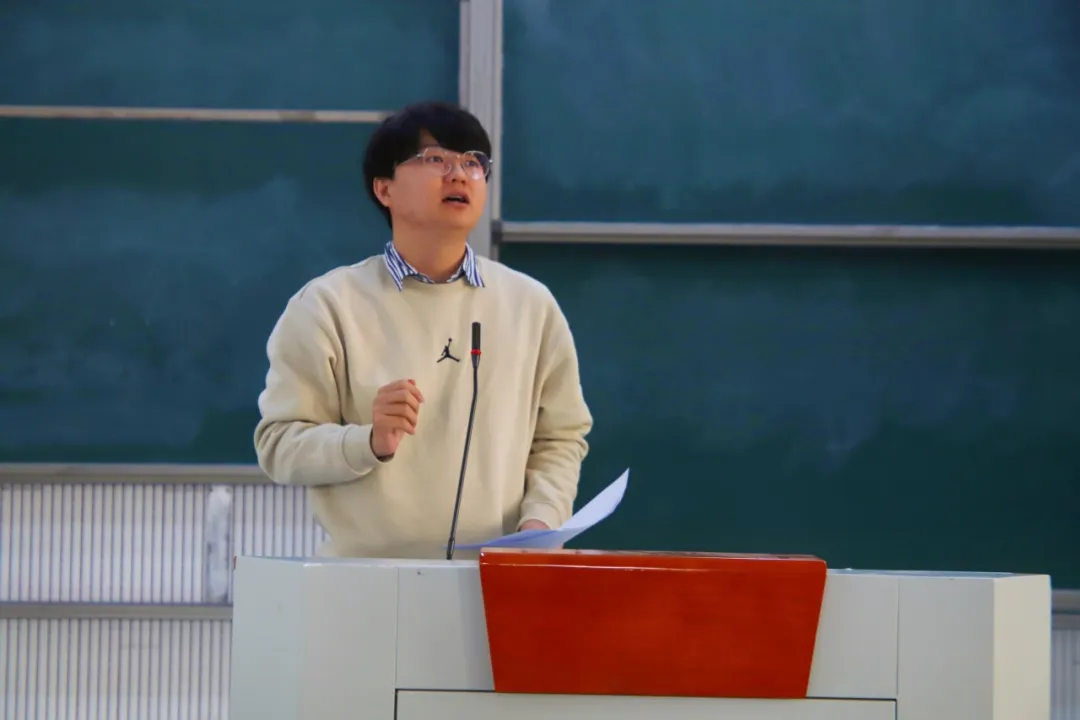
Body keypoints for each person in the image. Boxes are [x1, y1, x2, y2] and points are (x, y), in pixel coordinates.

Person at [253, 101, 593, 559]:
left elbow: (560, 438)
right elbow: (278, 446)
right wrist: (367, 441)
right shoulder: (328, 305)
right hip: (368, 582)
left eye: (473, 163)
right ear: (384, 188)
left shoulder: (531, 305)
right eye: (436, 159)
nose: (460, 175)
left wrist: (541, 522)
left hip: (497, 577)